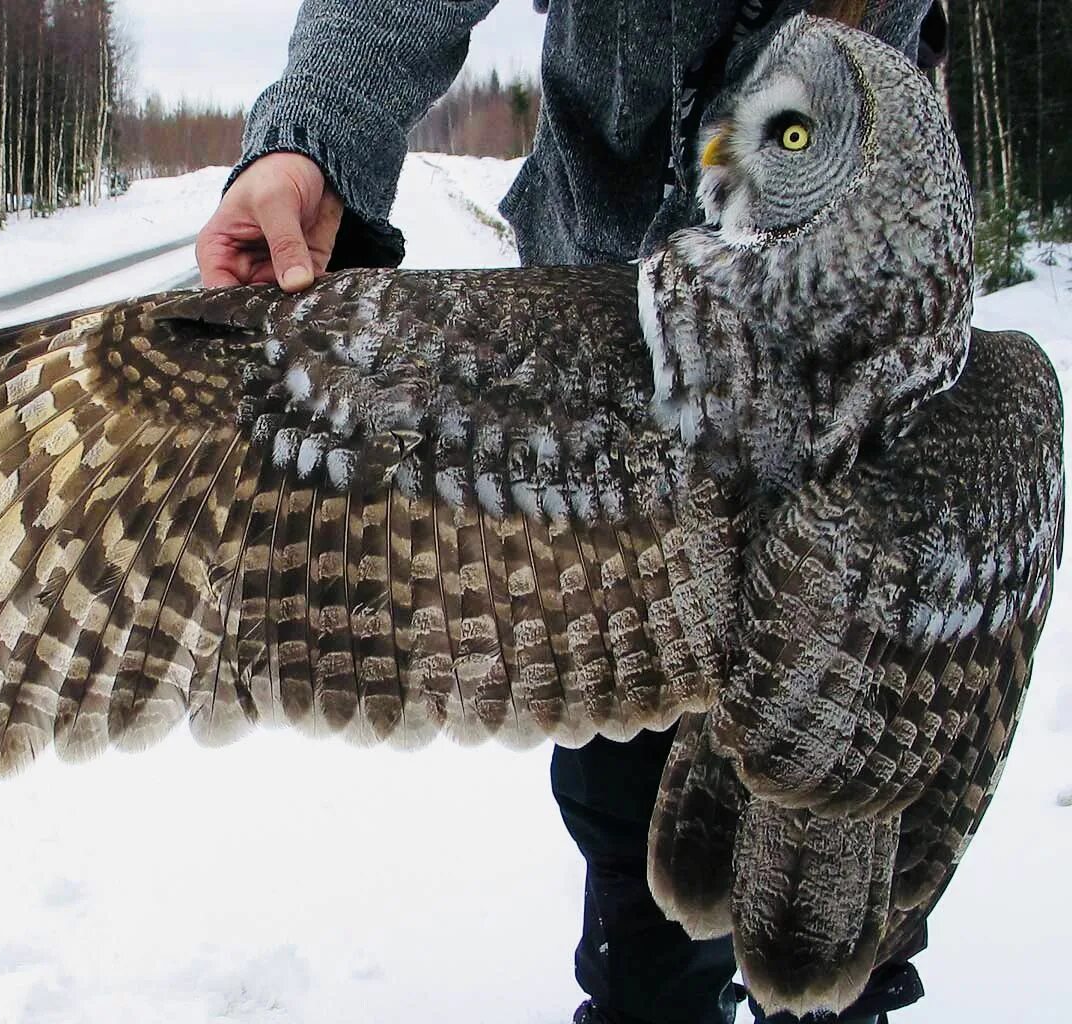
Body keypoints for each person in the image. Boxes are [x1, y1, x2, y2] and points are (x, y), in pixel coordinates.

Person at [195, 3, 948, 1022]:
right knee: (643, 880)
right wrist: (312, 137)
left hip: (862, 422)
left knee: (832, 899)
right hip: (611, 351)